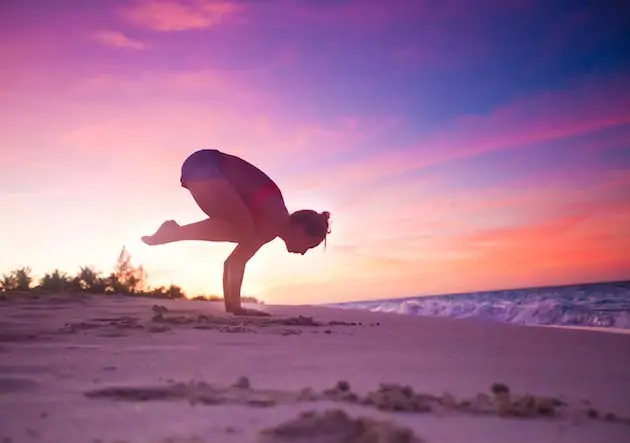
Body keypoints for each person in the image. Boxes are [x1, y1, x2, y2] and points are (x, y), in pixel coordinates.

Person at [141, 149, 331, 316]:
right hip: (206, 166)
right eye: (309, 244)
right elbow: (236, 261)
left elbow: (233, 262)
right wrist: (237, 309)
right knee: (244, 231)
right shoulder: (274, 217)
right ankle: (175, 232)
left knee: (242, 229)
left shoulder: (270, 226)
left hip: (200, 170)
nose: (305, 252)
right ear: (300, 228)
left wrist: (233, 308)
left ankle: (175, 232)